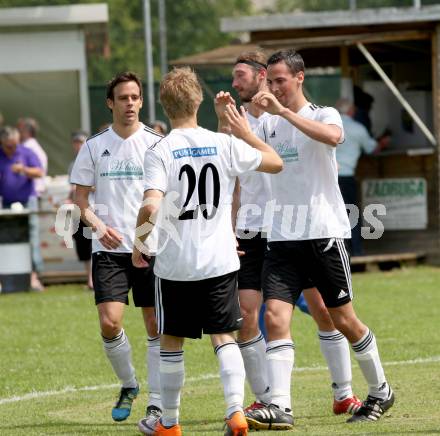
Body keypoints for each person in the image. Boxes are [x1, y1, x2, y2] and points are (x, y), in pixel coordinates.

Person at [244, 49, 394, 428]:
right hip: (281, 238)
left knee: (344, 320)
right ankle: (280, 405)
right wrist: (233, 119)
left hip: (323, 235)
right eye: (270, 80)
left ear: (299, 78)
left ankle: (380, 389)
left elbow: (333, 137)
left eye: (280, 80)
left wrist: (283, 112)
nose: (274, 87)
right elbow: (248, 149)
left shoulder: (321, 113)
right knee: (275, 316)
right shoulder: (267, 125)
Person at [132, 66, 283, 436]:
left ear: (164, 106)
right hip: (220, 260)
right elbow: (274, 162)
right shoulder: (224, 143)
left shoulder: (160, 150)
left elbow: (151, 206)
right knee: (224, 335)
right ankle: (234, 411)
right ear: (198, 100)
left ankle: (168, 422)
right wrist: (245, 133)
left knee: (171, 339)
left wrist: (140, 243)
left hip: (175, 264)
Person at [215, 51, 362, 423]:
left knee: (324, 311)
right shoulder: (238, 122)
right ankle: (267, 399)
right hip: (252, 230)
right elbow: (228, 182)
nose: (234, 84)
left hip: (292, 229)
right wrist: (227, 229)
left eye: (240, 76)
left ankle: (343, 393)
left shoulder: (282, 117)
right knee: (249, 313)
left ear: (262, 77)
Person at [70, 72, 163, 423]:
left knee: (155, 324)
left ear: (141, 101)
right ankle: (129, 383)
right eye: (123, 98)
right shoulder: (95, 146)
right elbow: (80, 199)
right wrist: (98, 225)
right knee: (110, 323)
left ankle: (156, 401)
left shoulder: (157, 143)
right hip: (108, 248)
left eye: (135, 97)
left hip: (150, 247)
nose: (129, 104)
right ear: (110, 103)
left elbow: (168, 195)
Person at [335, 98, 390, 256]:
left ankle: (338, 252)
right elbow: (372, 149)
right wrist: (383, 143)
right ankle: (356, 250)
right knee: (351, 213)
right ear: (351, 111)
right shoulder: (358, 129)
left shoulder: (328, 126)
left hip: (328, 176)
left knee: (331, 214)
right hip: (347, 177)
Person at [0, 126, 44, 290]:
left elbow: (40, 172)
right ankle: (7, 278)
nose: (12, 148)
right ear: (2, 142)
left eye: (15, 145)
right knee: (5, 240)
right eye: (9, 146)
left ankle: (34, 277)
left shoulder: (26, 152)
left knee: (32, 239)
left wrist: (24, 170)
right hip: (5, 204)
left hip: (27, 202)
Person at [67, 130, 93, 290]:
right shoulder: (72, 164)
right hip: (77, 208)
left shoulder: (94, 159)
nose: (78, 145)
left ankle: (93, 279)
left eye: (81, 142)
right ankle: (88, 278)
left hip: (94, 208)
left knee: (92, 242)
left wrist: (83, 189)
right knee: (82, 243)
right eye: (75, 142)